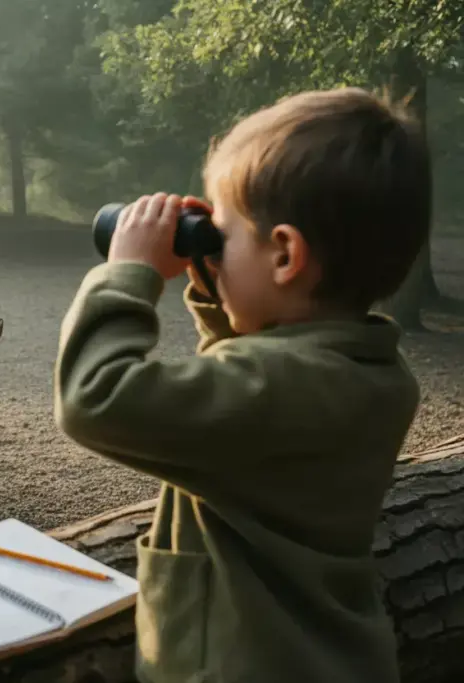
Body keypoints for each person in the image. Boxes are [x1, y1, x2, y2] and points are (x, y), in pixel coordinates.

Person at [54, 86, 431, 683]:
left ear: (285, 254)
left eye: (221, 235)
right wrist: (216, 286)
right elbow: (249, 382)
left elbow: (94, 395)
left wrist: (128, 273)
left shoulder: (283, 385)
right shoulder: (371, 372)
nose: (212, 247)